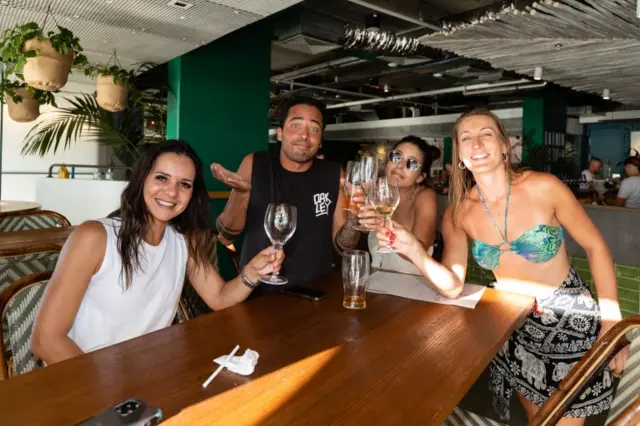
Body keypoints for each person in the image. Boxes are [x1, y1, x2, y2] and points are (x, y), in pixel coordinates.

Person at [377, 109, 628, 425]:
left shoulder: (543, 187)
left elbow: (596, 247)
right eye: (466, 138)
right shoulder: (458, 212)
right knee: (536, 418)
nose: (477, 143)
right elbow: (453, 284)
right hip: (513, 325)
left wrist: (610, 319)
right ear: (460, 156)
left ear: (504, 146)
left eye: (486, 134)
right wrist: (415, 250)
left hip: (570, 323)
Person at [31, 140, 283, 364]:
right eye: (161, 178)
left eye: (184, 184)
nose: (172, 192)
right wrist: (106, 399)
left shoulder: (183, 241)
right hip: (83, 379)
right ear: (142, 180)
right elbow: (46, 340)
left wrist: (252, 271)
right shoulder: (95, 237)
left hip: (148, 374)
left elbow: (219, 297)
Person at [211, 97, 358, 291]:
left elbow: (342, 247)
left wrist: (356, 219)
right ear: (280, 134)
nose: (305, 135)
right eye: (296, 125)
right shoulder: (256, 164)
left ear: (320, 140)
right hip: (259, 291)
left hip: (316, 289)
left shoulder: (333, 172)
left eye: (314, 129)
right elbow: (226, 235)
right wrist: (241, 193)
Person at [356, 136, 440, 275]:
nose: (400, 166)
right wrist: (356, 210)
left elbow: (419, 251)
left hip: (413, 289)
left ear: (420, 177)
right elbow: (355, 237)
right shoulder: (376, 193)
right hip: (375, 286)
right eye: (396, 157)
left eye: (412, 164)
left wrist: (381, 224)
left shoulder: (425, 196)